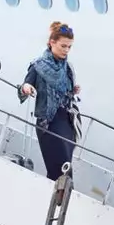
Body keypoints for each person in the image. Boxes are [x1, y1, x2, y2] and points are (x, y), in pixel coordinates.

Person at [19, 22, 80, 180]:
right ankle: (57, 199)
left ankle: (61, 200)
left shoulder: (67, 67)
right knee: (58, 167)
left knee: (65, 167)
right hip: (48, 122)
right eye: (63, 46)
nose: (66, 51)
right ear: (52, 42)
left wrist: (73, 90)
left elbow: (66, 92)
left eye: (69, 47)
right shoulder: (38, 65)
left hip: (66, 121)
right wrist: (26, 88)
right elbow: (26, 83)